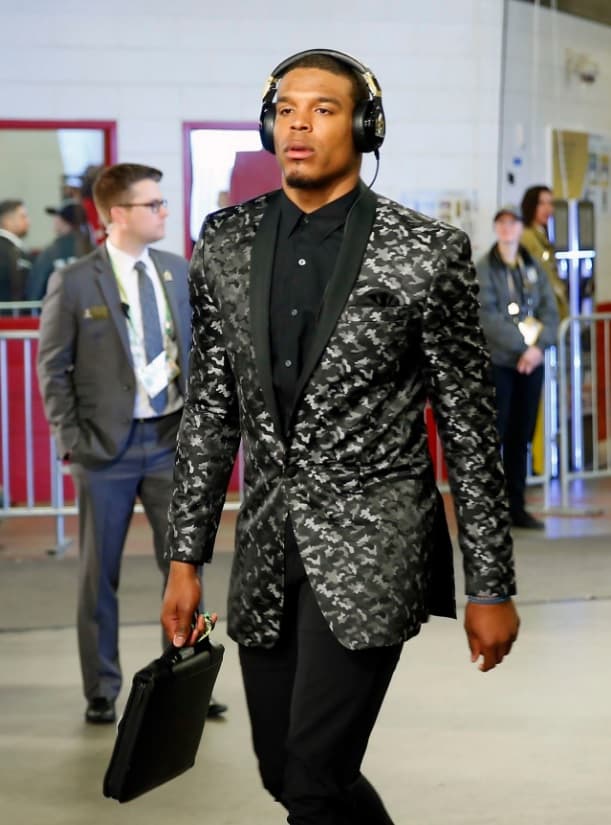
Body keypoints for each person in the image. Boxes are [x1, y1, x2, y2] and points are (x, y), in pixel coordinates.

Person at [161, 49, 519, 825]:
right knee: (283, 772)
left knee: (316, 777)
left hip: (374, 545)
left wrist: (489, 583)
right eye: (286, 107)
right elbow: (210, 412)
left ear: (363, 126)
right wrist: (183, 558)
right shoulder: (223, 242)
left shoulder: (426, 252)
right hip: (264, 549)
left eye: (323, 108)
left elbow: (467, 428)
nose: (299, 122)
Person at [37, 163, 192, 725]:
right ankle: (102, 686)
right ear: (118, 214)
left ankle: (184, 675)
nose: (164, 212)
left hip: (170, 442)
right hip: (105, 450)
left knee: (182, 566)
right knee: (99, 573)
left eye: (163, 202)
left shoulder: (177, 272)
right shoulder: (77, 280)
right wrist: (71, 440)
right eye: (154, 204)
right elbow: (53, 369)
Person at [476, 206, 559, 530]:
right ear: (497, 228)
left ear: (520, 228)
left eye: (513, 223)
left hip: (531, 364)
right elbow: (489, 317)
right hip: (502, 363)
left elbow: (549, 310)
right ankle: (491, 509)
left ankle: (517, 505)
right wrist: (522, 349)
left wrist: (538, 349)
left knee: (521, 436)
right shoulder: (485, 268)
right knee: (498, 431)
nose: (508, 229)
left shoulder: (531, 265)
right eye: (502, 223)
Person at [26, 200, 94, 300]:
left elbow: (35, 290)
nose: (54, 221)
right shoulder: (95, 251)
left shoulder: (51, 252)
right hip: (92, 311)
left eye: (58, 217)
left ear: (65, 222)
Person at [520, 185, 569, 319]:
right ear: (531, 205)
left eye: (550, 203)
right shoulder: (526, 237)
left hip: (553, 310)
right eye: (541, 203)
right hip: (540, 313)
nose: (547, 209)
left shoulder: (543, 238)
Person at [0, 199, 32, 310]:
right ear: (7, 221)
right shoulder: (6, 250)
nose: (28, 221)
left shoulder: (17, 250)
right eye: (23, 216)